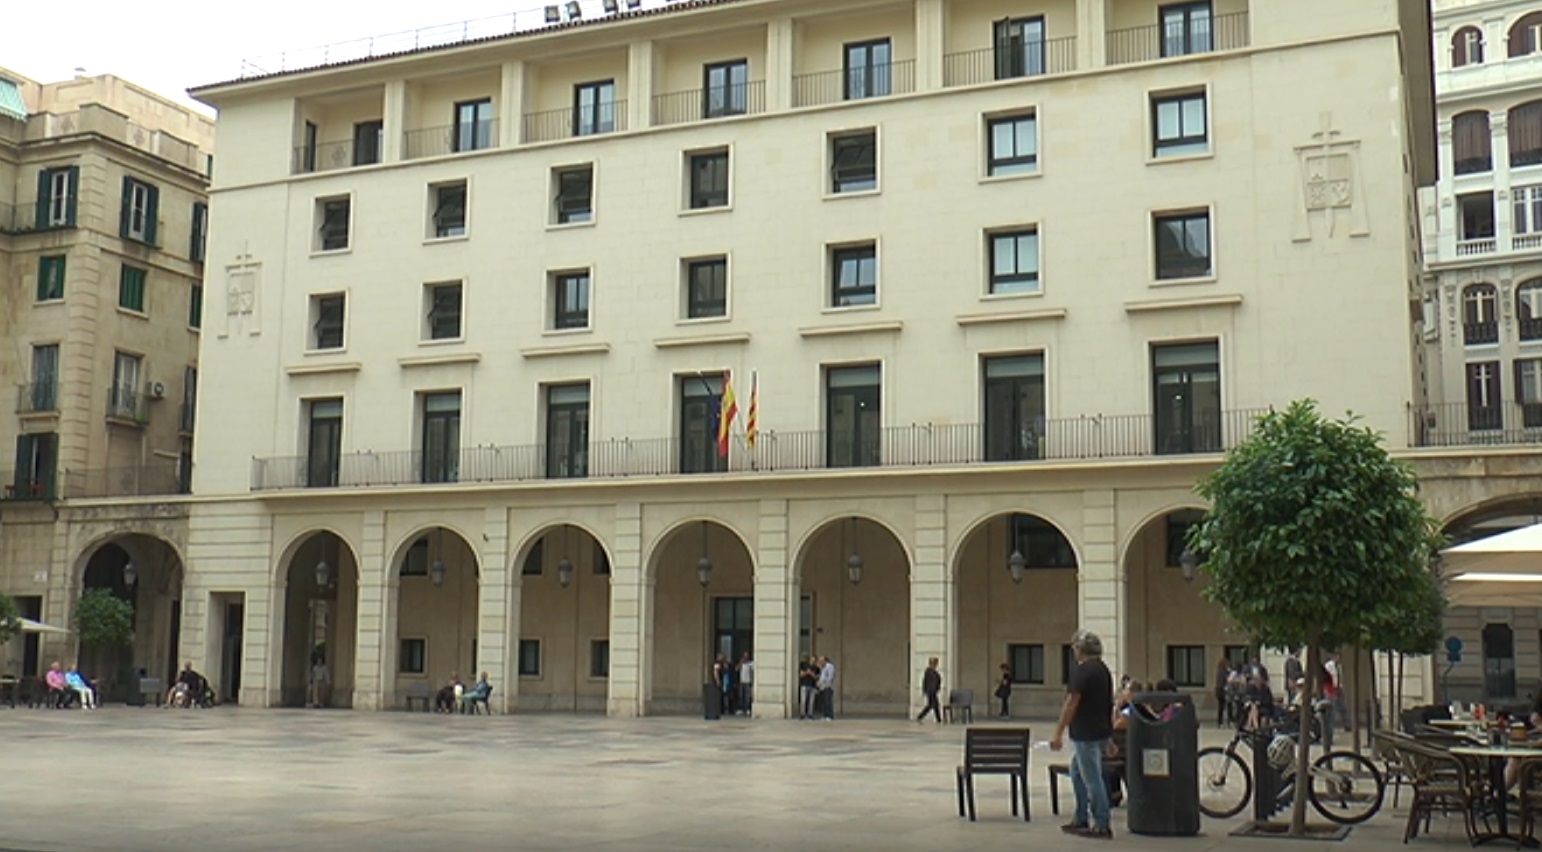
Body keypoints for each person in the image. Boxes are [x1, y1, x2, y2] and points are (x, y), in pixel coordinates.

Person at [1051, 629, 1115, 840]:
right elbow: (1107, 704)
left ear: (1080, 649)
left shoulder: (1082, 671)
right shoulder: (1103, 670)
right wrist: (1109, 737)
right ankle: (1080, 817)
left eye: (1074, 648)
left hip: (1085, 733)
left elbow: (1071, 703)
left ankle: (1101, 824)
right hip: (1099, 731)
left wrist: (1058, 732)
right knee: (1077, 773)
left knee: (1092, 778)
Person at [916, 657, 942, 724]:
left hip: (932, 691)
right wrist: (925, 690)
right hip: (931, 691)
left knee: (934, 705)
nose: (936, 665)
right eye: (935, 663)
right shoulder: (929, 671)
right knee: (931, 705)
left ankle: (938, 719)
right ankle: (920, 716)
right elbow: (926, 682)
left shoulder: (932, 672)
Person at [817, 655, 837, 721]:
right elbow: (821, 676)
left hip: (828, 687)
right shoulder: (822, 668)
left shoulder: (830, 667)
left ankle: (830, 716)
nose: (820, 662)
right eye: (820, 661)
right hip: (822, 687)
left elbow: (830, 677)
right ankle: (825, 715)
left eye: (821, 661)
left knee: (828, 702)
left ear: (825, 661)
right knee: (823, 702)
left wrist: (824, 683)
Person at [1214, 657, 1232, 727]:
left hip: (1219, 690)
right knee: (1226, 706)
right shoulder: (1223, 672)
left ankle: (1220, 722)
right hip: (1222, 690)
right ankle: (1226, 721)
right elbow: (1223, 681)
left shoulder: (1219, 671)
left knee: (1221, 706)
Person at [736, 652, 755, 717]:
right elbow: (736, 669)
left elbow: (753, 671)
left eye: (746, 656)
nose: (745, 657)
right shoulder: (741, 663)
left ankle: (747, 709)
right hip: (741, 681)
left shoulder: (751, 663)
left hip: (748, 681)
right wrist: (740, 663)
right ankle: (741, 709)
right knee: (740, 695)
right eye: (744, 656)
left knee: (747, 696)